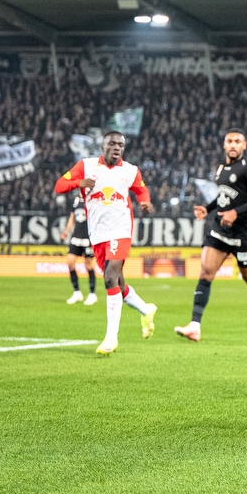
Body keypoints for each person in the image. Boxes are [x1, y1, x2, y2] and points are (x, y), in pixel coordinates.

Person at [174, 129, 247, 342]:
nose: (233, 144)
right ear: (224, 145)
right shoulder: (220, 169)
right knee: (206, 272)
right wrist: (208, 209)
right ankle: (194, 325)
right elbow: (223, 197)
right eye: (230, 141)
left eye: (238, 141)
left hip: (243, 234)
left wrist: (236, 212)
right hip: (220, 230)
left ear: (244, 145)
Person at [54, 131, 158, 355]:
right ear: (102, 147)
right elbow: (59, 185)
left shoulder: (130, 170)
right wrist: (79, 182)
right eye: (112, 144)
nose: (117, 147)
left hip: (120, 231)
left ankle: (111, 337)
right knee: (118, 285)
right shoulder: (86, 165)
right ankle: (146, 309)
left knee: (110, 277)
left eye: (121, 144)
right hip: (98, 234)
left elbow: (141, 189)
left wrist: (145, 202)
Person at [60, 193, 98, 305]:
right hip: (76, 236)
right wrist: (66, 231)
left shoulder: (94, 199)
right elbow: (72, 217)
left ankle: (92, 294)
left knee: (89, 264)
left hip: (88, 237)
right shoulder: (76, 200)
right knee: (70, 261)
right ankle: (77, 292)